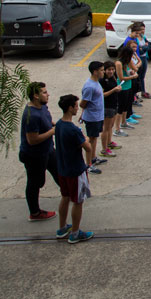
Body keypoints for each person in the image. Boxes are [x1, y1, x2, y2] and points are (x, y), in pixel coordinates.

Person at [54, 94, 94, 244]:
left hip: (63, 169)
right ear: (70, 108)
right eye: (76, 106)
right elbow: (88, 147)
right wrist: (86, 138)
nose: (78, 108)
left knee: (64, 197)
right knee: (78, 201)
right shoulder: (73, 130)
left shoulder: (58, 125)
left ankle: (62, 227)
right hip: (75, 170)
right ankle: (75, 233)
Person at [19, 82, 58, 222]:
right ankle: (35, 213)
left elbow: (47, 120)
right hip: (34, 155)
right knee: (35, 183)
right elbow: (32, 140)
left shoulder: (41, 106)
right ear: (36, 96)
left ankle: (69, 194)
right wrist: (52, 132)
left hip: (47, 150)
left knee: (58, 171)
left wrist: (56, 125)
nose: (48, 94)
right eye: (44, 92)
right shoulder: (32, 115)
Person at [80, 61, 106, 173]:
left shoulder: (96, 82)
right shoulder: (90, 87)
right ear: (95, 72)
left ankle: (93, 158)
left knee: (95, 138)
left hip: (98, 116)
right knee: (91, 139)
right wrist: (83, 114)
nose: (103, 72)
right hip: (92, 117)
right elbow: (83, 103)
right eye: (101, 70)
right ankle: (89, 164)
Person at [115, 44, 139, 130]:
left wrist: (131, 71)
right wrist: (132, 77)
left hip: (129, 86)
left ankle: (124, 122)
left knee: (126, 106)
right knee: (120, 108)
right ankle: (117, 128)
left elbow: (134, 69)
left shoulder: (127, 62)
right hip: (123, 87)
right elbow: (121, 78)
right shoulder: (119, 63)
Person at [100, 61, 124, 145]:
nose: (111, 71)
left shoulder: (113, 77)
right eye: (108, 69)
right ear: (104, 70)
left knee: (110, 126)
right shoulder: (102, 80)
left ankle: (109, 142)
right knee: (106, 128)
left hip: (114, 104)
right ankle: (104, 148)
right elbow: (102, 95)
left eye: (112, 69)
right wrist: (113, 90)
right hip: (107, 106)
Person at [136, 23, 151, 99]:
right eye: (141, 29)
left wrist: (144, 47)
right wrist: (145, 47)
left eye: (144, 29)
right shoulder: (136, 39)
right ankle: (136, 93)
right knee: (137, 77)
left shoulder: (143, 37)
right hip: (139, 59)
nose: (143, 31)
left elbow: (149, 46)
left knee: (142, 76)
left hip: (144, 58)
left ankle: (143, 91)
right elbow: (140, 51)